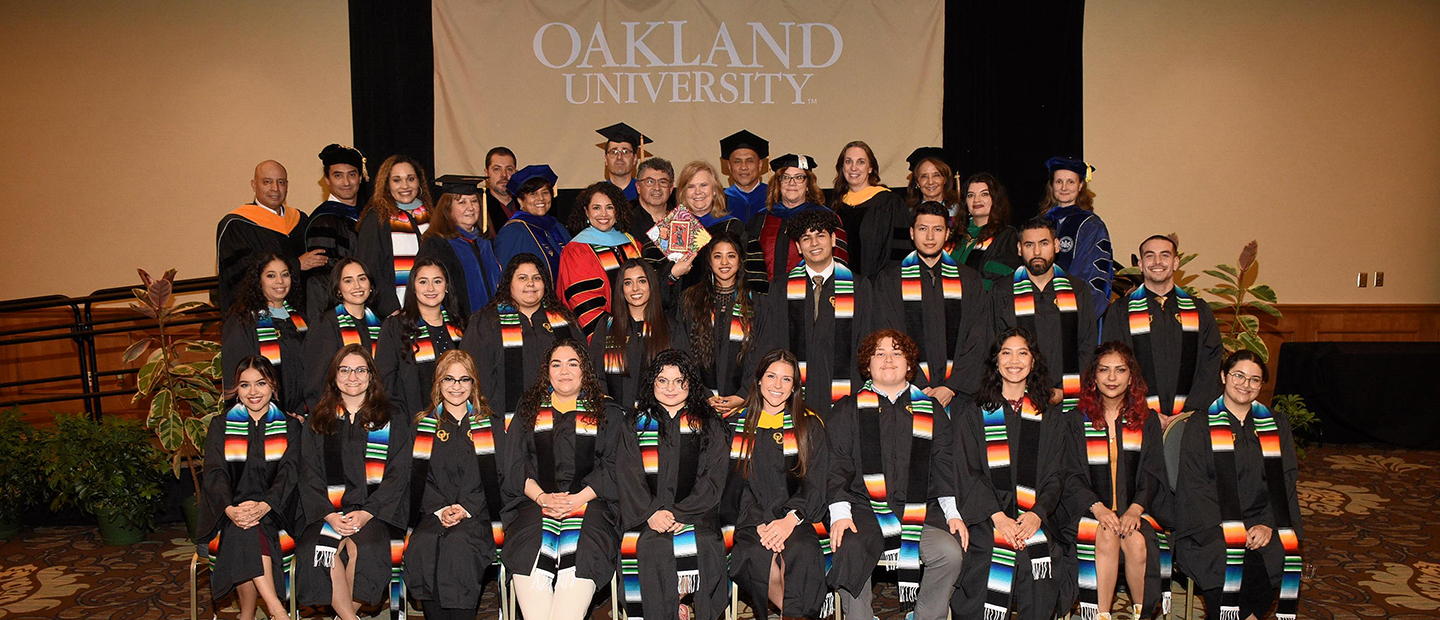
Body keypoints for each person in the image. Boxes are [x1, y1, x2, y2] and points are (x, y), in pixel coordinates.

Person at [826, 329, 967, 620]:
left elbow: (944, 465)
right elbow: (837, 463)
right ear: (867, 364)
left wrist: (952, 513)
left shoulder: (930, 411)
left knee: (950, 553)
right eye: (879, 353)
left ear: (909, 363)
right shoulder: (848, 409)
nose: (888, 360)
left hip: (918, 513)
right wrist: (840, 514)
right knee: (848, 548)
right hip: (864, 512)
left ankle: (924, 616)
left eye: (896, 353)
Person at [952, 328, 1072, 620]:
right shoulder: (974, 413)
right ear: (996, 361)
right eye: (1006, 353)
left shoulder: (1050, 417)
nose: (1014, 361)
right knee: (987, 552)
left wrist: (1037, 514)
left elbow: (1056, 473)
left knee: (1040, 556)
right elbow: (968, 471)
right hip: (987, 515)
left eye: (1022, 353)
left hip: (1034, 515)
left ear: (1033, 361)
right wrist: (998, 516)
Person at [502, 340, 627, 620]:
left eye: (573, 364)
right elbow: (513, 464)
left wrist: (577, 499)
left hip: (591, 502)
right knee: (528, 550)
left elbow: (615, 466)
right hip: (535, 502)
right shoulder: (529, 408)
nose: (564, 371)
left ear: (585, 370)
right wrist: (542, 497)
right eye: (556, 364)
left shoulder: (607, 411)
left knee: (585, 553)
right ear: (546, 371)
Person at [1173, 351, 1302, 620]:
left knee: (1276, 554)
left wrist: (1267, 523)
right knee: (1224, 559)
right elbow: (1194, 484)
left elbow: (1286, 478)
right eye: (1239, 376)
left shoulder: (1276, 424)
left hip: (1262, 520)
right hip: (1210, 524)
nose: (1246, 384)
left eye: (1255, 380)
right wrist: (1230, 525)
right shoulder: (1201, 424)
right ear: (1224, 376)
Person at [295, 345, 411, 620]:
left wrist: (368, 512)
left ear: (371, 376)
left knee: (367, 549)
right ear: (334, 376)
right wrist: (329, 515)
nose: (352, 377)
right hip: (328, 511)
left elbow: (399, 472)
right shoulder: (318, 419)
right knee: (318, 550)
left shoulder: (391, 417)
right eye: (345, 370)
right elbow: (308, 472)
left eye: (360, 370)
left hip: (376, 511)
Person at [615, 350, 730, 620]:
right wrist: (652, 512)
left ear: (691, 384)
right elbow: (628, 474)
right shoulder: (635, 423)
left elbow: (714, 476)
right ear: (651, 383)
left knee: (704, 545)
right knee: (648, 547)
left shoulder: (708, 423)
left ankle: (685, 606)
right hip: (646, 516)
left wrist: (681, 513)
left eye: (679, 381)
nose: (670, 388)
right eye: (662, 380)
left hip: (696, 515)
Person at [1061, 342, 1170, 620]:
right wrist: (1097, 508)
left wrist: (1135, 509)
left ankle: (1141, 614)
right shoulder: (1075, 420)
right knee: (1107, 533)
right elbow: (1069, 473)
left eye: (1120, 370)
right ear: (1093, 377)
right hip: (1086, 509)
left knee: (1136, 540)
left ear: (1131, 377)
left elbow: (1153, 471)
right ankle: (1102, 614)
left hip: (1137, 507)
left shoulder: (1147, 420)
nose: (1112, 378)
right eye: (1104, 370)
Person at [719, 348, 830, 620]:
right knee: (757, 554)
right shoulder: (734, 425)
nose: (777, 385)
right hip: (750, 520)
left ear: (794, 387)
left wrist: (790, 520)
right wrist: (760, 523)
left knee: (803, 551)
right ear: (758, 380)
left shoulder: (809, 425)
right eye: (771, 376)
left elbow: (816, 481)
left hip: (798, 517)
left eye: (786, 379)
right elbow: (732, 486)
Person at [198, 356, 301, 620]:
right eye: (245, 385)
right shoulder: (221, 425)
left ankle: (247, 615)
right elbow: (215, 472)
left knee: (248, 531)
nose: (253, 391)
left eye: (261, 383)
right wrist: (229, 509)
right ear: (237, 389)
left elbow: (290, 473)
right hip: (230, 511)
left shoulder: (290, 426)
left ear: (273, 386)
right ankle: (278, 611)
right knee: (243, 529)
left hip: (277, 510)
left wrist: (266, 505)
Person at [402, 350, 500, 620]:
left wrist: (466, 508)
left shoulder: (489, 425)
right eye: (449, 379)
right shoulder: (423, 426)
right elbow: (415, 477)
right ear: (438, 383)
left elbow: (499, 476)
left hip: (479, 515)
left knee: (459, 545)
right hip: (434, 514)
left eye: (464, 379)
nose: (456, 386)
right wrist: (440, 508)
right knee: (424, 543)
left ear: (473, 384)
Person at [749, 208, 873, 418]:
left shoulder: (859, 286)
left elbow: (865, 342)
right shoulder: (781, 287)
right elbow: (772, 340)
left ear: (833, 240)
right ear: (798, 246)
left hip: (845, 392)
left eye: (820, 236)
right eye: (806, 238)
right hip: (793, 391)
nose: (814, 243)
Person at [871, 201, 989, 407]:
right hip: (906, 391)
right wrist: (919, 384)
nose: (930, 237)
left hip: (959, 395)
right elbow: (888, 334)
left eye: (938, 229)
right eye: (922, 229)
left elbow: (978, 337)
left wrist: (952, 386)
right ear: (911, 233)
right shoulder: (890, 280)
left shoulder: (969, 280)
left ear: (947, 234)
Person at [1103, 235, 1224, 427]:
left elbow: (1211, 363)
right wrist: (1143, 410)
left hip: (1190, 420)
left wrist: (1190, 411)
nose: (1157, 262)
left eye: (1165, 255)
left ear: (1175, 263)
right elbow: (1114, 365)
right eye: (1150, 256)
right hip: (1136, 419)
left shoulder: (1199, 310)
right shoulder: (1120, 311)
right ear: (1141, 264)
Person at [460, 254, 585, 426]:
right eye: (522, 278)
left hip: (562, 425)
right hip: (504, 424)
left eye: (536, 278)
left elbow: (585, 369)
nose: (530, 284)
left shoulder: (564, 320)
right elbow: (474, 376)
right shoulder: (488, 322)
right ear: (509, 284)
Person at [992, 218, 1096, 414]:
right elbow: (995, 345)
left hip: (1068, 397)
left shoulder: (1077, 290)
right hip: (1016, 397)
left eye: (1044, 243)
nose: (1037, 252)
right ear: (1019, 249)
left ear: (1056, 246)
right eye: (1029, 245)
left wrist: (1065, 391)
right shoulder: (1003, 291)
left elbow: (1087, 344)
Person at [217, 160, 326, 311]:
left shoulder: (299, 220)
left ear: (287, 185)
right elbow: (241, 276)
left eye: (281, 182)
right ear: (254, 185)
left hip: (300, 312)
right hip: (260, 314)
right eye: (267, 182)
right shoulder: (236, 225)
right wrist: (296, 265)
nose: (275, 188)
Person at [742, 153, 849, 293]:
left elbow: (839, 264)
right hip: (766, 297)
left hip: (812, 296)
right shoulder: (761, 219)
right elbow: (749, 265)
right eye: (786, 177)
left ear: (808, 185)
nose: (792, 183)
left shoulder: (827, 218)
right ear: (778, 183)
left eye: (799, 177)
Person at [587, 260, 686, 408]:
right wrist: (610, 410)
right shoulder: (608, 325)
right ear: (621, 289)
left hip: (658, 416)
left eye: (641, 281)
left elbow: (685, 375)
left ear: (651, 285)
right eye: (628, 283)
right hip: (614, 414)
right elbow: (594, 375)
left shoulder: (670, 327)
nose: (635, 288)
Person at [374, 258, 465, 418]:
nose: (431, 288)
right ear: (413, 288)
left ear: (446, 286)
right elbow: (385, 381)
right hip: (412, 419)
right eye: (423, 282)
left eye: (437, 281)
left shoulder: (461, 326)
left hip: (458, 420)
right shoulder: (395, 327)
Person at [680, 232, 757, 415]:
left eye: (731, 256)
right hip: (698, 400)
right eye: (717, 256)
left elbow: (761, 352)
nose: (724, 262)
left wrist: (743, 395)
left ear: (740, 261)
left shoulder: (756, 303)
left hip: (744, 402)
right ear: (709, 261)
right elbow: (682, 348)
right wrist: (703, 393)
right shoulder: (690, 300)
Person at [222, 253, 308, 416]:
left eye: (285, 274)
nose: (280, 281)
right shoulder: (244, 322)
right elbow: (238, 376)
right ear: (259, 281)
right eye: (271, 275)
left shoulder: (302, 320)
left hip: (303, 415)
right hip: (263, 416)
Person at [558, 182, 646, 337]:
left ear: (617, 211)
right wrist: (609, 336)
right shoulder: (577, 250)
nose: (603, 214)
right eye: (596, 208)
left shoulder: (632, 243)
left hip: (640, 329)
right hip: (607, 334)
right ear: (586, 211)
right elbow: (584, 302)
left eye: (609, 207)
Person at [355, 154, 435, 317]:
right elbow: (370, 267)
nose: (405, 186)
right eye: (397, 180)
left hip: (432, 309)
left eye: (410, 179)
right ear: (387, 184)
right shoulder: (378, 218)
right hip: (395, 312)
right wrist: (391, 309)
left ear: (419, 181)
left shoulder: (431, 215)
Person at [303, 258, 381, 410]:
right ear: (338, 289)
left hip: (373, 409)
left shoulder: (380, 324)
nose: (357, 286)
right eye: (348, 281)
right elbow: (315, 380)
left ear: (370, 285)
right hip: (334, 412)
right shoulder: (326, 324)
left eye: (362, 279)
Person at [1040, 156, 1113, 318]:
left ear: (1080, 185)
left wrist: (1082, 314)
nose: (1064, 187)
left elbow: (1096, 274)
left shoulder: (1091, 225)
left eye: (1071, 182)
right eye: (1059, 181)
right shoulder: (1041, 224)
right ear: (1052, 185)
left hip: (1076, 309)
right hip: (1041, 310)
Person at [418, 177, 503, 317]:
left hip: (491, 321)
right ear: (448, 208)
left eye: (474, 201)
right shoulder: (436, 244)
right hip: (457, 322)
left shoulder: (485, 241)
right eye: (462, 202)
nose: (470, 207)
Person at [304, 144, 369, 313]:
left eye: (352, 175)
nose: (346, 182)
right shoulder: (323, 220)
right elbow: (323, 277)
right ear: (327, 180)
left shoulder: (369, 216)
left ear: (360, 178)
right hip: (337, 309)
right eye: (338, 175)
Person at [831, 141, 910, 278]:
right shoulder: (836, 205)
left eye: (861, 162)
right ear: (842, 168)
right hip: (842, 282)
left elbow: (901, 250)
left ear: (870, 168)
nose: (853, 168)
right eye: (848, 161)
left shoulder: (889, 203)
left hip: (879, 284)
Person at [493, 165, 571, 281]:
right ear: (521, 201)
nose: (541, 198)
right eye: (533, 194)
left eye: (545, 192)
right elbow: (507, 278)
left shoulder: (558, 228)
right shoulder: (513, 232)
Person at [952, 172, 1021, 290]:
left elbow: (999, 278)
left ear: (995, 199)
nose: (976, 200)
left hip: (983, 299)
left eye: (984, 194)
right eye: (970, 195)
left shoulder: (1005, 235)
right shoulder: (956, 234)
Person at [677, 160, 746, 240]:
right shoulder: (674, 228)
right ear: (683, 192)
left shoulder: (732, 227)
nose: (698, 192)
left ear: (714, 190)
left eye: (703, 185)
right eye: (691, 186)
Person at [720, 129, 770, 224]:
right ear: (729, 166)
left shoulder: (774, 197)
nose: (743, 167)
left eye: (749, 161)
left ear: (760, 165)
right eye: (737, 161)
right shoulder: (719, 200)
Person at [904, 147, 962, 223]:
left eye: (936, 175)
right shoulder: (907, 213)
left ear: (945, 179)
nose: (930, 182)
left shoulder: (958, 212)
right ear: (917, 182)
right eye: (924, 176)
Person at [597, 122, 652, 201]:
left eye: (625, 152)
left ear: (635, 159)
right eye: (614, 152)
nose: (619, 157)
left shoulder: (645, 193)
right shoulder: (598, 194)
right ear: (606, 159)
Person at [630, 157, 676, 242]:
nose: (657, 188)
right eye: (650, 182)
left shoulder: (682, 219)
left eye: (663, 182)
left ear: (671, 188)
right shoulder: (626, 223)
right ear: (638, 187)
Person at [484, 146, 519, 229]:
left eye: (509, 169)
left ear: (516, 173)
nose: (504, 175)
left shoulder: (527, 205)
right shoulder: (481, 208)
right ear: (487, 174)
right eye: (497, 169)